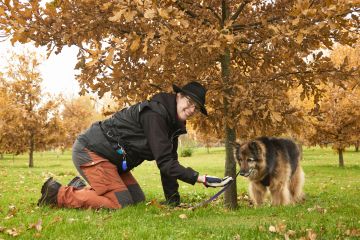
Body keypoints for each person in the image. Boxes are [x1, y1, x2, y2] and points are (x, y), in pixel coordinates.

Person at [38, 81, 232, 209]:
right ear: (178, 96)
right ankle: (57, 194)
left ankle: (79, 188)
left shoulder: (172, 124)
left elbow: (168, 162)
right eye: (189, 102)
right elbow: (166, 163)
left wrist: (173, 201)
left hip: (114, 161)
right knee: (121, 204)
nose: (191, 109)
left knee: (137, 201)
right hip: (92, 151)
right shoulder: (155, 114)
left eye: (196, 108)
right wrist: (201, 178)